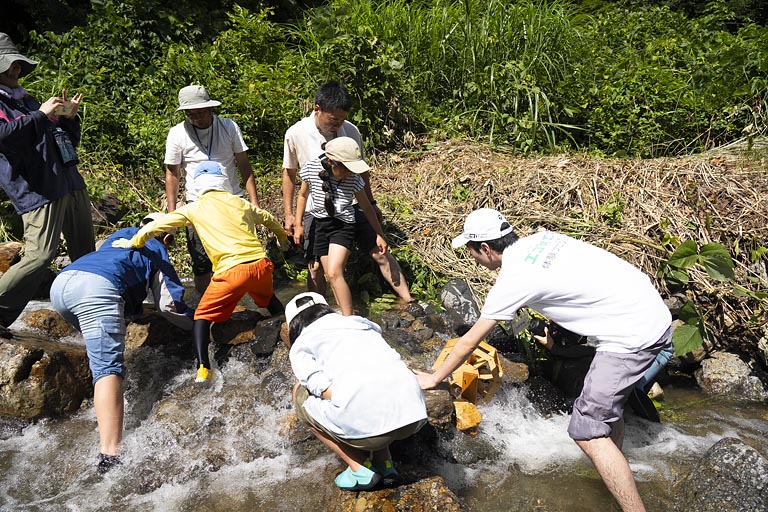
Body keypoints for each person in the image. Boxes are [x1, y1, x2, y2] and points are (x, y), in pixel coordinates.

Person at [415, 208, 672, 512]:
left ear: (485, 248)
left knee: (586, 428)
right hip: (648, 308)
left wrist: (433, 378)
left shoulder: (514, 278)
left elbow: (470, 340)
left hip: (631, 336)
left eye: (472, 252)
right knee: (607, 413)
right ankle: (616, 474)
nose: (473, 260)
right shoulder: (543, 240)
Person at [114, 161, 288, 383]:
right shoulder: (239, 202)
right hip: (260, 266)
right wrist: (282, 236)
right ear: (223, 182)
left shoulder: (194, 207)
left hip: (231, 271)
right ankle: (287, 332)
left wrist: (134, 242)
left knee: (201, 317)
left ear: (198, 186)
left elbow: (159, 225)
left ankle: (203, 369)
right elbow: (268, 218)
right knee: (269, 299)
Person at [50, 214, 193, 474]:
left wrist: (136, 313)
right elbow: (170, 304)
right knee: (108, 369)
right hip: (97, 290)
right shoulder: (156, 248)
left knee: (100, 352)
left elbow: (118, 271)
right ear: (167, 236)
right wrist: (198, 326)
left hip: (62, 285)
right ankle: (110, 455)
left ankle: (95, 409)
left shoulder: (117, 238)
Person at [281, 81, 412, 302]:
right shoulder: (296, 134)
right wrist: (290, 214)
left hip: (350, 204)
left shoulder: (350, 130)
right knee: (315, 266)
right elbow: (290, 174)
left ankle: (409, 301)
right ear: (317, 109)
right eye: (333, 119)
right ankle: (318, 312)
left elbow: (362, 172)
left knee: (380, 253)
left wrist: (371, 204)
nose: (338, 124)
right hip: (318, 209)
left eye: (342, 119)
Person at [0, 32, 94, 333]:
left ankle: (89, 311)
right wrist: (42, 115)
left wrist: (67, 119)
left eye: (16, 64)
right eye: (7, 65)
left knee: (86, 256)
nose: (14, 70)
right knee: (39, 256)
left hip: (69, 182)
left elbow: (65, 142)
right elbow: (8, 138)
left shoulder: (25, 98)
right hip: (38, 189)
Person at [285, 292, 427, 490]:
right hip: (415, 417)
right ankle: (386, 464)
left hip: (372, 432)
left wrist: (347, 399)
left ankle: (358, 468)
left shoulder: (301, 345)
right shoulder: (361, 323)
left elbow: (323, 388)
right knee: (369, 379)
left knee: (300, 395)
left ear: (293, 325)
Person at [164, 84, 261, 294]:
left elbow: (244, 165)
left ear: (210, 109)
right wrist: (172, 214)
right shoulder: (177, 134)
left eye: (200, 112)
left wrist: (254, 203)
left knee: (240, 256)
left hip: (232, 201)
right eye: (190, 114)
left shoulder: (228, 127)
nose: (196, 118)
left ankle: (242, 306)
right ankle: (207, 309)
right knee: (201, 261)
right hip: (198, 204)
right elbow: (172, 173)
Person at [293, 137, 388, 316]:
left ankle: (349, 318)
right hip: (320, 224)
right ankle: (329, 314)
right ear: (331, 162)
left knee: (334, 272)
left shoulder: (354, 179)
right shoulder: (312, 169)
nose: (351, 173)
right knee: (330, 276)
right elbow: (302, 196)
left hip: (343, 225)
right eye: (347, 168)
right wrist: (298, 224)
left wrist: (379, 234)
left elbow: (367, 207)